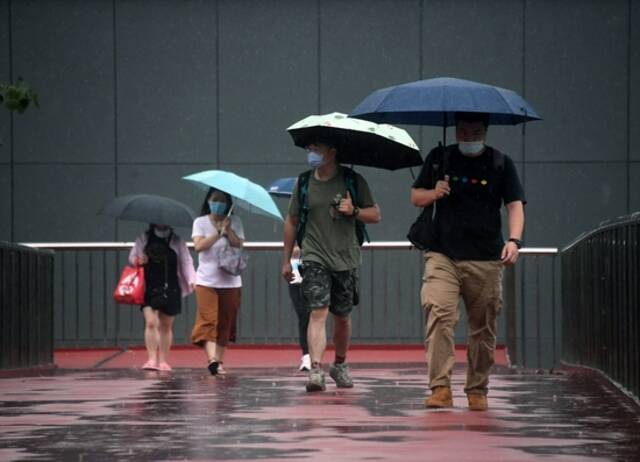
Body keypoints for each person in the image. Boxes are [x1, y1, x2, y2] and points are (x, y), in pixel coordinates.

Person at [410, 112, 525, 411]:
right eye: (463, 131)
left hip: (486, 258)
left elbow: (514, 205)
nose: (469, 137)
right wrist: (435, 192)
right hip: (442, 254)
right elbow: (415, 196)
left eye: (475, 132)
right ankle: (440, 388)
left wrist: (514, 240)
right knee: (439, 314)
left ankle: (477, 389)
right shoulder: (439, 158)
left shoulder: (501, 163)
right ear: (456, 130)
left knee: (483, 328)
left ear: (485, 132)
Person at [282, 139, 381, 392]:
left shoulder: (352, 180)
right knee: (318, 311)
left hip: (345, 258)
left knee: (343, 316)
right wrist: (285, 261)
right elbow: (292, 220)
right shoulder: (303, 183)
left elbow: (376, 215)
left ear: (332, 152)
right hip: (314, 256)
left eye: (317, 149)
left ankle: (339, 364)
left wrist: (354, 210)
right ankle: (316, 370)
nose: (312, 153)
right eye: (309, 149)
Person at [191, 187, 244, 375]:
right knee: (208, 320)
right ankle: (212, 359)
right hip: (206, 280)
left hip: (231, 281)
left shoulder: (235, 221)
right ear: (208, 201)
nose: (218, 204)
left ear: (228, 204)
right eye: (214, 199)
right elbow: (198, 246)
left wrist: (228, 231)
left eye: (222, 201)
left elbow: (239, 244)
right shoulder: (200, 222)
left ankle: (219, 361)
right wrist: (217, 233)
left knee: (226, 322)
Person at [129, 224, 196, 372]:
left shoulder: (177, 241)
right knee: (151, 322)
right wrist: (139, 260)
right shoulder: (144, 238)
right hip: (150, 285)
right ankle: (151, 359)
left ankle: (163, 360)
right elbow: (133, 256)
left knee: (166, 325)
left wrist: (192, 279)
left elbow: (186, 261)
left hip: (170, 286)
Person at [288, 244, 311, 371]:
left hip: (314, 274)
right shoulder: (292, 228)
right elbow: (290, 250)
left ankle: (314, 354)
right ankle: (306, 355)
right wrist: (294, 252)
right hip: (296, 278)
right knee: (303, 315)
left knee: (314, 315)